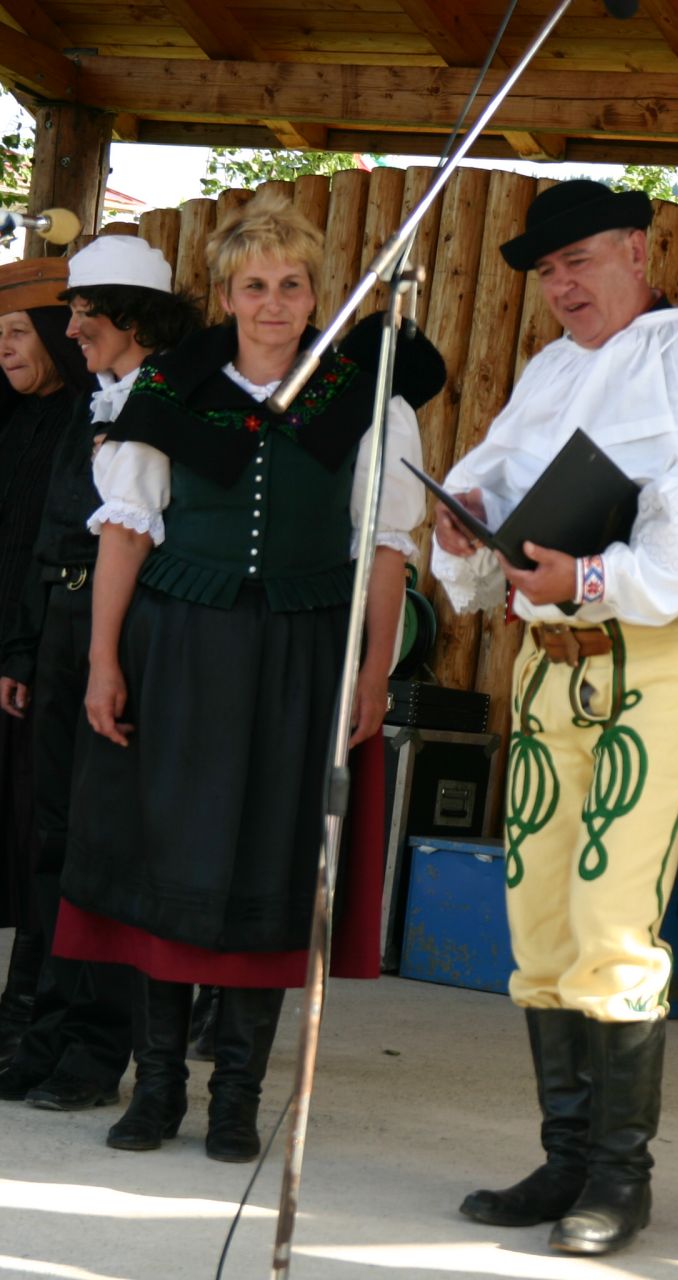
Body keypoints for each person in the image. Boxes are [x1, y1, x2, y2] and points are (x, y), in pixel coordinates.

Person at [434, 180, 678, 1257]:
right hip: (553, 656)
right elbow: (492, 485)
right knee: (540, 911)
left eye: (579, 259)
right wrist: (468, 527)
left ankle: (621, 1178)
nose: (563, 285)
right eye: (548, 271)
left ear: (638, 248)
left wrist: (591, 576)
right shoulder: (552, 368)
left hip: (661, 654)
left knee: (611, 911)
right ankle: (569, 1158)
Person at [53, 194, 438, 1162]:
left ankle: (236, 1096)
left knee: (273, 858)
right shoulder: (171, 388)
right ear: (226, 295)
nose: (274, 303)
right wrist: (103, 660)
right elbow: (127, 532)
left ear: (315, 295)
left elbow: (384, 545)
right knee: (169, 857)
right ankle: (158, 1087)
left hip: (302, 653)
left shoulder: (366, 394)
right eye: (255, 285)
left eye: (292, 285)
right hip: (181, 644)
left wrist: (375, 672)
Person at [0, 239, 198, 1111]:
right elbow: (47, 531)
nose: (72, 328)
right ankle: (44, 1031)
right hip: (61, 627)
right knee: (50, 838)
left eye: (86, 312)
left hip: (127, 635)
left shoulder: (173, 402)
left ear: (134, 314)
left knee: (104, 844)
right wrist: (24, 647)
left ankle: (94, 1044)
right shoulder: (93, 404)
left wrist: (104, 656)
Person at [0, 258, 96, 1063]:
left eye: (17, 332)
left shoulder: (82, 423)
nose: (4, 348)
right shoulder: (14, 421)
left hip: (44, 647)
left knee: (39, 831)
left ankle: (27, 1001)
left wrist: (23, 649)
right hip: (16, 644)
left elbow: (47, 552)